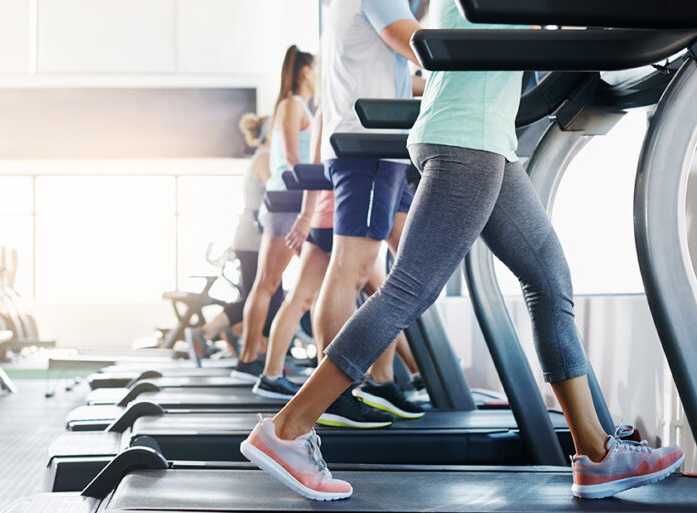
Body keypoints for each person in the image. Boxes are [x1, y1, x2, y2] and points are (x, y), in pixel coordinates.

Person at [240, 0, 684, 501]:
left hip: (486, 139)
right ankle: (288, 429)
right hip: (465, 140)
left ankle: (597, 454)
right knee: (409, 289)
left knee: (548, 281)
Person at [286, 0, 426, 426]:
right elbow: (418, 46)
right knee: (353, 269)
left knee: (408, 266)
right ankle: (332, 393)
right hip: (370, 145)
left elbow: (396, 72)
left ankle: (382, 380)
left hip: (384, 146)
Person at [253, 112, 424, 424]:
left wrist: (306, 216)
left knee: (301, 298)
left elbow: (314, 159)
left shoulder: (325, 109)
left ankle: (273, 374)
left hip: (322, 215)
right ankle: (384, 379)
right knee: (388, 292)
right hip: (339, 216)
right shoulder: (334, 107)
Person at [231, 45, 317, 381]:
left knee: (267, 284)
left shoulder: (288, 105)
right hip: (293, 200)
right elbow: (295, 158)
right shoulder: (294, 105)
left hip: (284, 199)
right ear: (307, 72)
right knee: (272, 285)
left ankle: (249, 359)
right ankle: (254, 359)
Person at [195, 114, 285, 348]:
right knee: (266, 297)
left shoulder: (261, 157)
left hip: (253, 238)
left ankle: (236, 338)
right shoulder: (265, 159)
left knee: (264, 297)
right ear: (270, 135)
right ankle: (209, 332)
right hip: (254, 240)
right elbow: (278, 193)